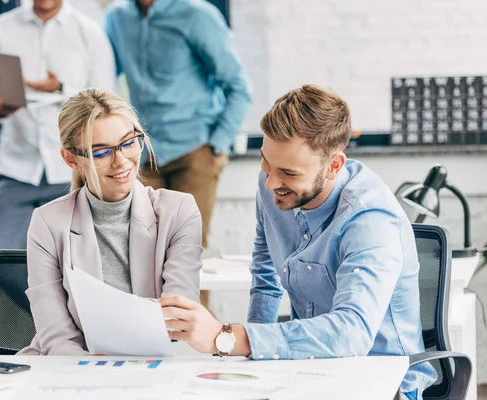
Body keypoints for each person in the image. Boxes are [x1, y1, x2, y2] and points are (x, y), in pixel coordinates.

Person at [159, 85, 437, 398]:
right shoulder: (272, 186)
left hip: (383, 383)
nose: (271, 182)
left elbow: (352, 333)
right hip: (312, 373)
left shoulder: (370, 219)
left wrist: (227, 339)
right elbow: (266, 279)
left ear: (334, 165)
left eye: (288, 173)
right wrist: (247, 368)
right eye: (265, 162)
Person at [19, 89, 202, 355]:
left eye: (129, 143)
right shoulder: (48, 222)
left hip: (154, 365)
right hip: (71, 369)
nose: (121, 161)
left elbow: (176, 321)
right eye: (101, 152)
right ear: (71, 159)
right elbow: (56, 336)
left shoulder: (179, 212)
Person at [104, 0, 252, 249]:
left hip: (194, 150)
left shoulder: (196, 15)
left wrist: (218, 143)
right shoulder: (116, 17)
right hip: (142, 151)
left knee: (188, 249)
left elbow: (239, 87)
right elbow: (105, 73)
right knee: (140, 249)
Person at [0, 0, 116, 263]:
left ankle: (53, 303)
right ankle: (29, 305)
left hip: (73, 173)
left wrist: (62, 88)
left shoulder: (90, 33)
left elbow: (107, 106)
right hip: (17, 171)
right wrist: (0, 110)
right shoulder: (0, 29)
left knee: (78, 262)